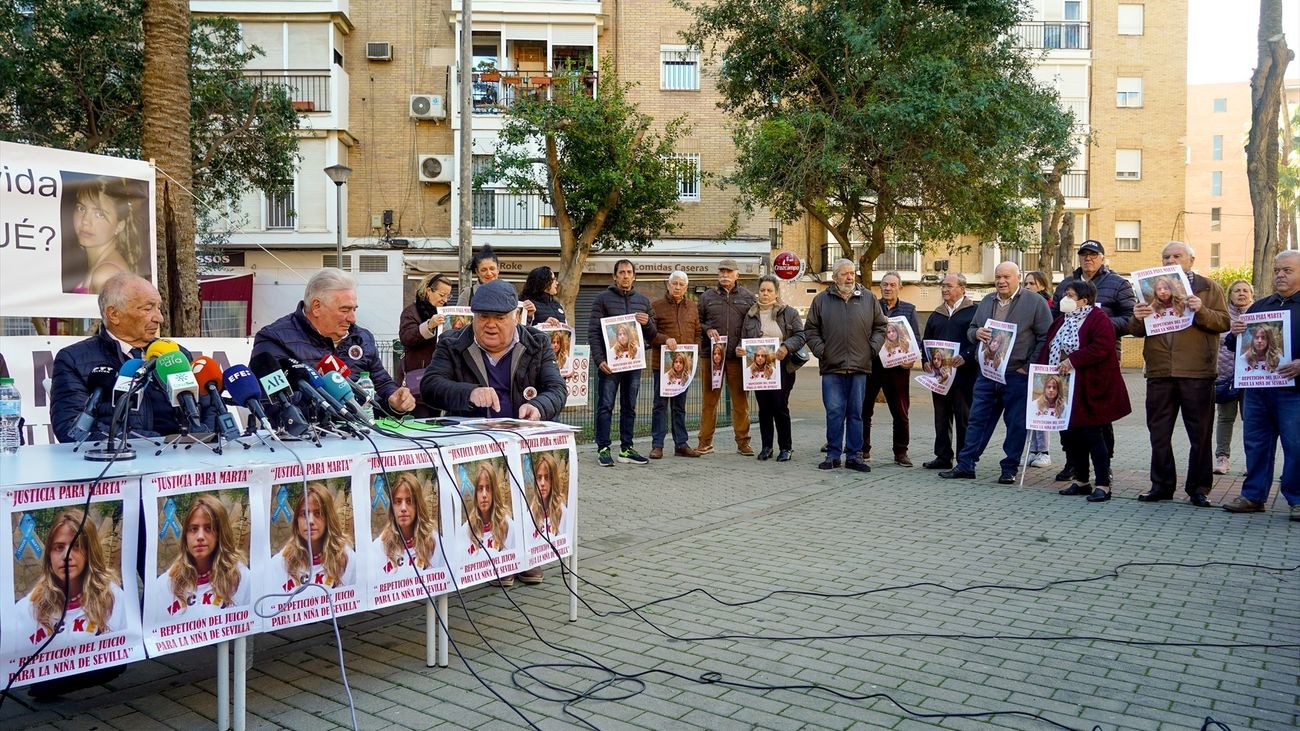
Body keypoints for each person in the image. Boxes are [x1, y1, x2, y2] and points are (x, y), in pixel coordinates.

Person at [51, 272, 218, 442]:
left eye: (158, 308)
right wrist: (158, 443)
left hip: (186, 456)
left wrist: (196, 438)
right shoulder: (74, 359)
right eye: (147, 309)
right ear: (114, 314)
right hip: (119, 463)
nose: (159, 318)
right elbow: (71, 427)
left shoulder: (177, 354)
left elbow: (210, 409)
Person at [1125, 241, 1229, 507]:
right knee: (1158, 432)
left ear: (1191, 260)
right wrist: (1137, 317)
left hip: (1197, 372)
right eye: (1166, 256)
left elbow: (1224, 322)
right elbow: (1136, 330)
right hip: (1160, 371)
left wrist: (1201, 310)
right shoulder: (1149, 289)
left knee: (1200, 434)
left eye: (1177, 255)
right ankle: (1161, 486)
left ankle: (1198, 488)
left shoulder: (1208, 287)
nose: (1171, 260)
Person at [940, 261, 1052, 484]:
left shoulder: (1035, 302)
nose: (1001, 281)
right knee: (977, 420)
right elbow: (971, 329)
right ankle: (966, 464)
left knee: (1016, 423)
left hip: (1016, 374)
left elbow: (1045, 337)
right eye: (998, 277)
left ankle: (1009, 468)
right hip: (988, 373)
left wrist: (1027, 367)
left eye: (1006, 277)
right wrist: (976, 333)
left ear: (1017, 278)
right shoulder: (987, 301)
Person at [253, 268, 416, 417]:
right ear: (316, 307)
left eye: (354, 309)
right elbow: (270, 402)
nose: (352, 318)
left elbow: (382, 383)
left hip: (362, 438)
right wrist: (335, 405)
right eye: (345, 310)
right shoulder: (274, 340)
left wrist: (394, 399)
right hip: (304, 443)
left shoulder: (362, 338)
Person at [1222, 251, 1300, 521]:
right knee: (1256, 444)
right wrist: (1235, 333)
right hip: (1257, 390)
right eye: (1277, 270)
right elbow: (1236, 347)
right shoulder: (1260, 306)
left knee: (1296, 446)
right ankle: (1253, 496)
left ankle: (1297, 499)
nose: (1280, 274)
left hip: (1294, 392)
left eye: (1287, 270)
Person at [1050, 240, 1137, 481]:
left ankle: (1103, 466)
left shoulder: (1118, 284)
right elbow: (1056, 317)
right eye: (1084, 255)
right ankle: (1074, 465)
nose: (1088, 259)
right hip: (1065, 365)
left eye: (1093, 255)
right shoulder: (1067, 284)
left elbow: (1129, 318)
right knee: (1069, 416)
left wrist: (1100, 326)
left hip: (1100, 362)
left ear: (1102, 257)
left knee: (1097, 419)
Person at [1038, 280, 1132, 502]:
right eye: (1064, 295)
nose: (1064, 299)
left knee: (1093, 436)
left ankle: (1103, 484)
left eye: (1070, 295)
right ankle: (1081, 480)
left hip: (1091, 388)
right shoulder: (1061, 320)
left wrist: (1073, 360)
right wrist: (1041, 374)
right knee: (1072, 437)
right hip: (1065, 389)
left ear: (1084, 300)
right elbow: (1049, 346)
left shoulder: (1098, 319)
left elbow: (1102, 347)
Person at [420, 278, 567, 421]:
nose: (491, 324)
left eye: (499, 318)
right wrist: (469, 393)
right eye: (483, 317)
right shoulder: (452, 343)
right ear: (474, 317)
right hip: (472, 440)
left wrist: (538, 407)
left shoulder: (538, 343)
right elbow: (430, 386)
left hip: (525, 439)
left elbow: (557, 389)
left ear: (515, 316)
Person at [804, 259, 888, 472]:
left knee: (856, 413)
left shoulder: (868, 298)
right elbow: (811, 330)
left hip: (860, 367)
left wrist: (872, 350)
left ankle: (854, 456)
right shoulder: (822, 300)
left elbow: (880, 326)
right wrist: (822, 351)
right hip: (832, 367)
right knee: (834, 411)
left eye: (852, 273)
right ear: (834, 278)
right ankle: (833, 455)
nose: (850, 277)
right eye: (844, 274)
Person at [588, 259, 656, 467]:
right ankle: (603, 448)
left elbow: (652, 335)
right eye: (622, 272)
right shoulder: (602, 299)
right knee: (605, 406)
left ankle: (626, 448)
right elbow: (593, 333)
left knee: (630, 407)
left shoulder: (643, 301)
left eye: (629, 272)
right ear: (614, 276)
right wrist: (599, 360)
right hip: (610, 365)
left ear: (634, 276)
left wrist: (648, 323)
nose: (626, 276)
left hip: (633, 365)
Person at [739, 274, 806, 462]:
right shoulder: (750, 315)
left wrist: (786, 347)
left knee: (779, 405)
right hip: (758, 365)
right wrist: (741, 349)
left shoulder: (788, 312)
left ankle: (786, 447)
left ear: (776, 293)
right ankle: (766, 446)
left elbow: (801, 336)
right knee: (764, 407)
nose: (765, 294)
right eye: (762, 290)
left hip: (782, 365)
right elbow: (744, 339)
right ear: (758, 292)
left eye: (769, 291)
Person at [697, 258, 758, 456]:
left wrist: (744, 346)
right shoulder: (706, 297)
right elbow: (698, 323)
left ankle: (743, 443)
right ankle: (705, 442)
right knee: (709, 401)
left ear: (737, 275)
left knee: (741, 402)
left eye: (729, 272)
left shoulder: (749, 298)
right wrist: (707, 330)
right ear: (718, 274)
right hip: (712, 356)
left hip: (737, 358)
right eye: (722, 271)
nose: (725, 275)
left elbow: (753, 326)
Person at [158, 495, 250, 621]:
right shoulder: (166, 584)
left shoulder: (240, 576)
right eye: (194, 529)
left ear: (220, 533)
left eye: (209, 528)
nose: (200, 536)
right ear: (186, 535)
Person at [921, 273, 978, 470]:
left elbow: (979, 343)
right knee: (941, 417)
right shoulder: (936, 314)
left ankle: (964, 459)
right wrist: (925, 361)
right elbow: (926, 341)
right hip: (939, 377)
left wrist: (966, 356)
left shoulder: (974, 312)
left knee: (964, 417)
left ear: (962, 288)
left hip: (964, 375)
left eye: (949, 286)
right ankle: (943, 456)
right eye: (943, 286)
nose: (944, 289)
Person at [863, 272, 920, 466]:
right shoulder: (871, 306)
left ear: (900, 288)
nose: (888, 288)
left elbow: (915, 340)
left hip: (898, 368)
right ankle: (863, 449)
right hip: (872, 365)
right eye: (885, 285)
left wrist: (911, 360)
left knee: (901, 412)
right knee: (864, 409)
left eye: (892, 285)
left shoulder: (909, 310)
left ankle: (901, 452)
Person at [650, 270, 702, 459]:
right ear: (668, 285)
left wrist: (694, 349)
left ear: (686, 287)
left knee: (680, 406)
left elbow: (698, 332)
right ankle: (657, 445)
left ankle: (681, 443)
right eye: (675, 284)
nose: (678, 287)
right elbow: (651, 334)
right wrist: (665, 339)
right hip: (662, 366)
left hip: (685, 367)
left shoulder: (692, 307)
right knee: (660, 406)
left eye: (681, 284)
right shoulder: (656, 306)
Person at [274, 482, 355, 590]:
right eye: (304, 514)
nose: (310, 521)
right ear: (296, 521)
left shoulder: (346, 557)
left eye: (318, 513)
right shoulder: (280, 563)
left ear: (328, 518)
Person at [68, 178, 143, 295]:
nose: (85, 221)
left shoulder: (105, 274)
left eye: (99, 214)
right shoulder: (103, 268)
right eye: (81, 208)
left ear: (119, 225)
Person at [398, 272, 454, 418]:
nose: (445, 299)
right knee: (420, 421)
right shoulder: (411, 311)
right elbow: (406, 338)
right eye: (442, 295)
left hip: (440, 379)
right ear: (428, 290)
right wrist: (429, 326)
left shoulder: (446, 313)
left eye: (448, 296)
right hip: (418, 380)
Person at [1214, 280, 1254, 474]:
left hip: (1252, 377)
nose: (1241, 293)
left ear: (1251, 294)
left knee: (1252, 419)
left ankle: (1252, 461)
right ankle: (1222, 457)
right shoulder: (1222, 316)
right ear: (1229, 295)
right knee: (1225, 418)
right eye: (1237, 290)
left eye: (1245, 290)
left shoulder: (1258, 314)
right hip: (1225, 375)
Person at [463, 462, 518, 586]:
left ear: (495, 492)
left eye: (488, 488)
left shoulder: (508, 525)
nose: (484, 495)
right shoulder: (466, 529)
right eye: (480, 489)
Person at [373, 472, 438, 576]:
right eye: (398, 502)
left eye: (409, 501)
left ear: (418, 505)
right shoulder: (379, 547)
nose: (403, 508)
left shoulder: (435, 542)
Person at [1022, 270, 1054, 468]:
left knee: (1040, 407)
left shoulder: (1047, 307)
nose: (1027, 287)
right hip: (1025, 366)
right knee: (1028, 410)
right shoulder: (1023, 306)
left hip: (1041, 364)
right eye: (1025, 283)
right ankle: (1031, 449)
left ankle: (1043, 450)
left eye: (1031, 283)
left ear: (1041, 286)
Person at [526, 451, 571, 539]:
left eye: (547, 478)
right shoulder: (530, 514)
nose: (542, 483)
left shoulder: (562, 512)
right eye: (539, 478)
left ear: (553, 480)